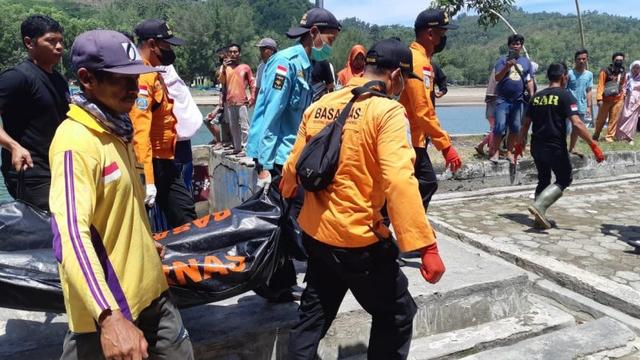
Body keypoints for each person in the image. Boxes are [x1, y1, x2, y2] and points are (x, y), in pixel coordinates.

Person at [282, 38, 445, 359]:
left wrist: (285, 193)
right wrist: (426, 246)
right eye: (404, 82)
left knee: (312, 316)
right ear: (396, 76)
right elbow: (399, 179)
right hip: (358, 243)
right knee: (397, 314)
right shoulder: (387, 112)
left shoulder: (320, 106)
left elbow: (292, 169)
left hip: (316, 234)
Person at [49, 29, 193, 359]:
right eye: (120, 79)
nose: (133, 88)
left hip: (154, 296)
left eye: (136, 78)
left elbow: (117, 208)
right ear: (86, 78)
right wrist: (109, 318)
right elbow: (70, 235)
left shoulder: (117, 128)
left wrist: (142, 241)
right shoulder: (75, 143)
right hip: (113, 311)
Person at [246, 7, 341, 302]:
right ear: (313, 34)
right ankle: (280, 282)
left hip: (291, 156)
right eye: (330, 37)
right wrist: (262, 165)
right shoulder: (286, 64)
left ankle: (278, 284)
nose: (331, 45)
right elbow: (270, 117)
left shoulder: (305, 64)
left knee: (283, 222)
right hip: (276, 159)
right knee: (290, 221)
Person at [514, 63, 605, 229]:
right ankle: (539, 207)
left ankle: (538, 218)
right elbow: (577, 123)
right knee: (564, 178)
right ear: (564, 77)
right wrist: (594, 145)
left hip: (537, 146)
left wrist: (520, 144)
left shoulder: (537, 97)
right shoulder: (565, 96)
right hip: (554, 146)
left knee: (544, 179)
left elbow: (525, 124)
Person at [130, 19, 196, 228]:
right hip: (149, 163)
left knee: (185, 215)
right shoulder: (142, 77)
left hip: (165, 160)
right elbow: (139, 133)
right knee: (145, 224)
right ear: (151, 44)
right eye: (166, 46)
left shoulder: (153, 73)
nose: (170, 52)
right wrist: (147, 180)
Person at [0, 14, 69, 211]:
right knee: (48, 231)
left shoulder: (58, 79)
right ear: (29, 43)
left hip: (58, 169)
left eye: (60, 41)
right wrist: (13, 146)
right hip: (32, 174)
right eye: (50, 41)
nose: (58, 47)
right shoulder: (16, 77)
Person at [399, 8, 462, 212]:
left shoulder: (420, 59)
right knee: (425, 184)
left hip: (413, 137)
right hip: (410, 139)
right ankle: (411, 232)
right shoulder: (419, 63)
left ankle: (411, 231)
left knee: (417, 185)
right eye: (442, 34)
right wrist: (445, 146)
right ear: (429, 33)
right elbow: (422, 111)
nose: (443, 39)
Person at [490, 34, 535, 164]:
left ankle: (510, 152)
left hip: (518, 100)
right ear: (509, 45)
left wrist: (531, 95)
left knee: (515, 127)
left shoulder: (526, 62)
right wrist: (507, 67)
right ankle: (496, 151)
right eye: (514, 43)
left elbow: (529, 79)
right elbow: (497, 78)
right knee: (499, 127)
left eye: (519, 44)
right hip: (502, 99)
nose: (516, 46)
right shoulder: (501, 61)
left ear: (521, 46)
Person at [159, 64, 202, 192]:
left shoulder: (163, 89)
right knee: (184, 189)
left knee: (170, 193)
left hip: (168, 151)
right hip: (182, 150)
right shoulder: (180, 88)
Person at [218, 43, 256, 156]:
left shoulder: (245, 67)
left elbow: (252, 83)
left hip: (242, 101)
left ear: (239, 53)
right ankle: (237, 148)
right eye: (231, 52)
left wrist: (252, 98)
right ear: (228, 54)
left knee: (244, 126)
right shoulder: (226, 68)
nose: (233, 54)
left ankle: (246, 149)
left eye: (235, 52)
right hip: (230, 102)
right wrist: (224, 68)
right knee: (233, 127)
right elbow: (222, 82)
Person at [593, 52, 626, 143]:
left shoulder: (623, 71)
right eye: (617, 60)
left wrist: (622, 96)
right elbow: (600, 85)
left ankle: (609, 137)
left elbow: (623, 84)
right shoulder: (605, 70)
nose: (619, 62)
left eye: (621, 60)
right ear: (613, 60)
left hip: (618, 99)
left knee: (614, 119)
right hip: (605, 100)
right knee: (601, 120)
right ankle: (596, 134)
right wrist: (599, 99)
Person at [566, 49, 594, 154]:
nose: (581, 61)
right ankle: (561, 147)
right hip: (568, 105)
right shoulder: (569, 74)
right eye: (579, 59)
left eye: (584, 59)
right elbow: (563, 89)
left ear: (587, 60)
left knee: (576, 128)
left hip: (581, 105)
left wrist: (588, 107)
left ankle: (572, 148)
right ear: (575, 60)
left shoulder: (589, 74)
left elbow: (589, 90)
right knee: (565, 128)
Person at [616, 60, 640, 144]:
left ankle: (630, 138)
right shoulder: (628, 76)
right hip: (627, 99)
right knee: (623, 117)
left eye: (638, 68)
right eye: (634, 68)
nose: (636, 69)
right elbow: (624, 86)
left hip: (637, 100)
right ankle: (620, 137)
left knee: (633, 119)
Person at [475, 69, 498, 155]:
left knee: (494, 128)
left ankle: (483, 145)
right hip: (495, 100)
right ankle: (491, 149)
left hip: (491, 99)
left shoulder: (496, 69)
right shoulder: (501, 69)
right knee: (495, 128)